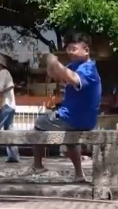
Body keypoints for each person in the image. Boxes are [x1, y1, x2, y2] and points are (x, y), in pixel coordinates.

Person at [33, 32, 102, 181]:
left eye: (74, 49)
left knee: (39, 123)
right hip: (79, 119)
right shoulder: (75, 66)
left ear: (86, 50)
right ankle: (79, 175)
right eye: (68, 48)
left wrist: (53, 60)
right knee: (70, 139)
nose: (70, 52)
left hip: (74, 118)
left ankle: (37, 165)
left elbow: (72, 78)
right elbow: (56, 74)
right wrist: (50, 63)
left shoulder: (88, 69)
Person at [0, 54, 19, 164]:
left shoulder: (2, 73)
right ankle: (13, 156)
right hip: (11, 105)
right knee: (9, 131)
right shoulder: (7, 73)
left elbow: (0, 88)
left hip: (6, 105)